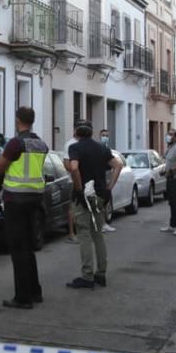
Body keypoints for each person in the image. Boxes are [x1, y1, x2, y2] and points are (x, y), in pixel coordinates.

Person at [0, 107, 49, 309]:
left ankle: (22, 297)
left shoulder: (16, 143)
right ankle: (35, 292)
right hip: (35, 199)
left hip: (15, 199)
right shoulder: (41, 144)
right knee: (28, 247)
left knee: (18, 249)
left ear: (17, 120)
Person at [65, 120, 124, 289]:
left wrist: (78, 188)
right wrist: (109, 187)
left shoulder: (75, 148)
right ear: (91, 133)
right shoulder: (102, 149)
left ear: (76, 133)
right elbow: (118, 165)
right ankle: (101, 273)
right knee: (98, 233)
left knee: (83, 233)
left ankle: (87, 275)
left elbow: (74, 168)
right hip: (100, 194)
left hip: (84, 195)